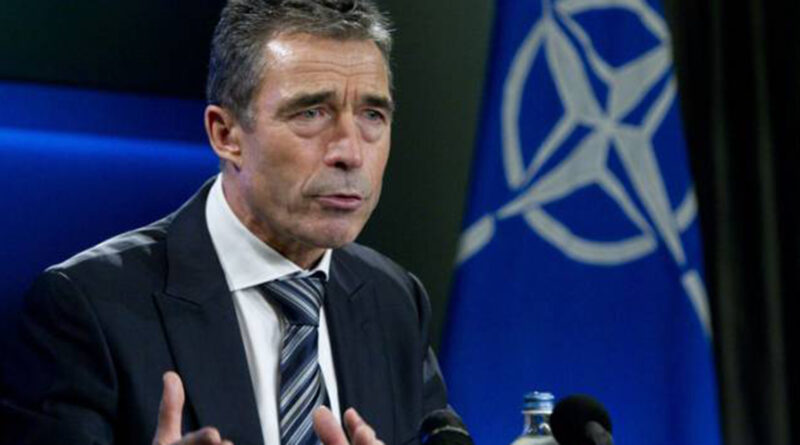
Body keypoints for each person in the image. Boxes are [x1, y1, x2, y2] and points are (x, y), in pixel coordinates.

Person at [0, 1, 453, 444]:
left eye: (372, 115)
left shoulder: (394, 299)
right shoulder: (87, 307)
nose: (351, 152)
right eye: (311, 113)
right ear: (226, 134)